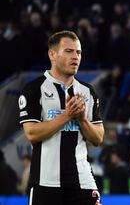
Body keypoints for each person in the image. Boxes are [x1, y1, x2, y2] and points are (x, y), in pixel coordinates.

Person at [19, 30, 104, 205]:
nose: (75, 57)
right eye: (69, 51)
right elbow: (32, 134)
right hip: (46, 182)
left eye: (78, 52)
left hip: (83, 182)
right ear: (52, 54)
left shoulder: (88, 92)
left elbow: (98, 138)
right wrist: (67, 116)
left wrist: (82, 119)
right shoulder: (34, 89)